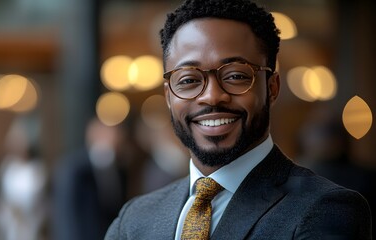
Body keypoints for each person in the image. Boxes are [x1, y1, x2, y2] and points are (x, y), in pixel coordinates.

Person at [105, 0, 372, 239]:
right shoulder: (134, 220)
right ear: (168, 96)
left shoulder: (324, 210)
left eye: (235, 76)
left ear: (272, 87)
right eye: (188, 80)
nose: (211, 96)